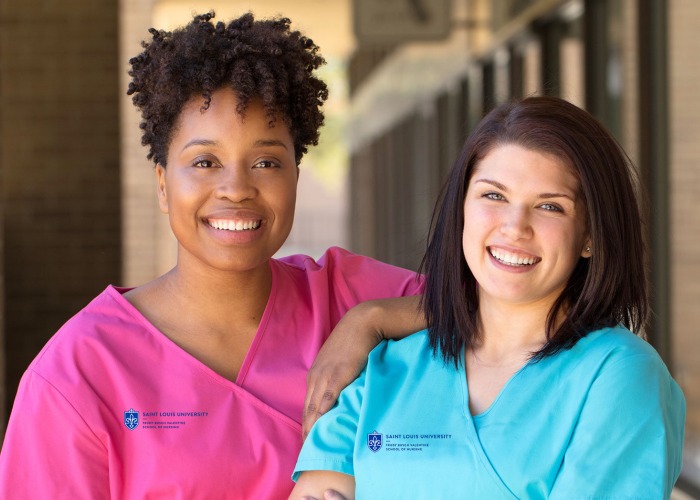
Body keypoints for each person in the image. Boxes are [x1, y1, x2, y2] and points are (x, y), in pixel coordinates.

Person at [0, 12, 423, 498]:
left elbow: (503, 310)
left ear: (295, 180)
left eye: (266, 162)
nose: (237, 189)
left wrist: (367, 321)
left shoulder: (348, 295)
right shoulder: (80, 374)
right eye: (204, 162)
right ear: (162, 184)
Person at [291, 96, 687, 499]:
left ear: (590, 236)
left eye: (550, 206)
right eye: (493, 196)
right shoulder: (384, 372)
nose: (515, 228)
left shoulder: (618, 376)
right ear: (461, 208)